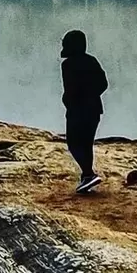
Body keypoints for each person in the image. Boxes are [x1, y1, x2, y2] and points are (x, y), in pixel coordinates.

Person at [60, 29, 108, 193]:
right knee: (86, 144)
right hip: (94, 110)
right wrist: (92, 94)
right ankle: (87, 177)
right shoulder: (91, 61)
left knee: (73, 143)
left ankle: (88, 174)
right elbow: (103, 83)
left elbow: (70, 89)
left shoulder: (67, 64)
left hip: (77, 111)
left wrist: (69, 101)